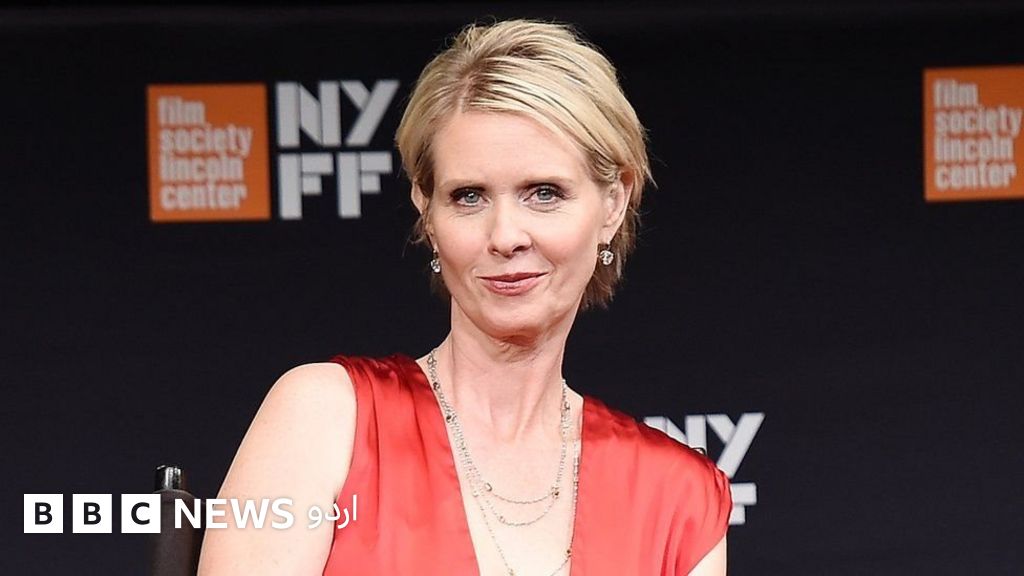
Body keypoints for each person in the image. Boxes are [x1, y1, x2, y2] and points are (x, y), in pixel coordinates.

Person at [198, 19, 730, 576]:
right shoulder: (324, 419)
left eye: (544, 193)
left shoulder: (680, 500)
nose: (505, 236)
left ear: (614, 203)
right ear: (427, 211)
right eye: (469, 196)